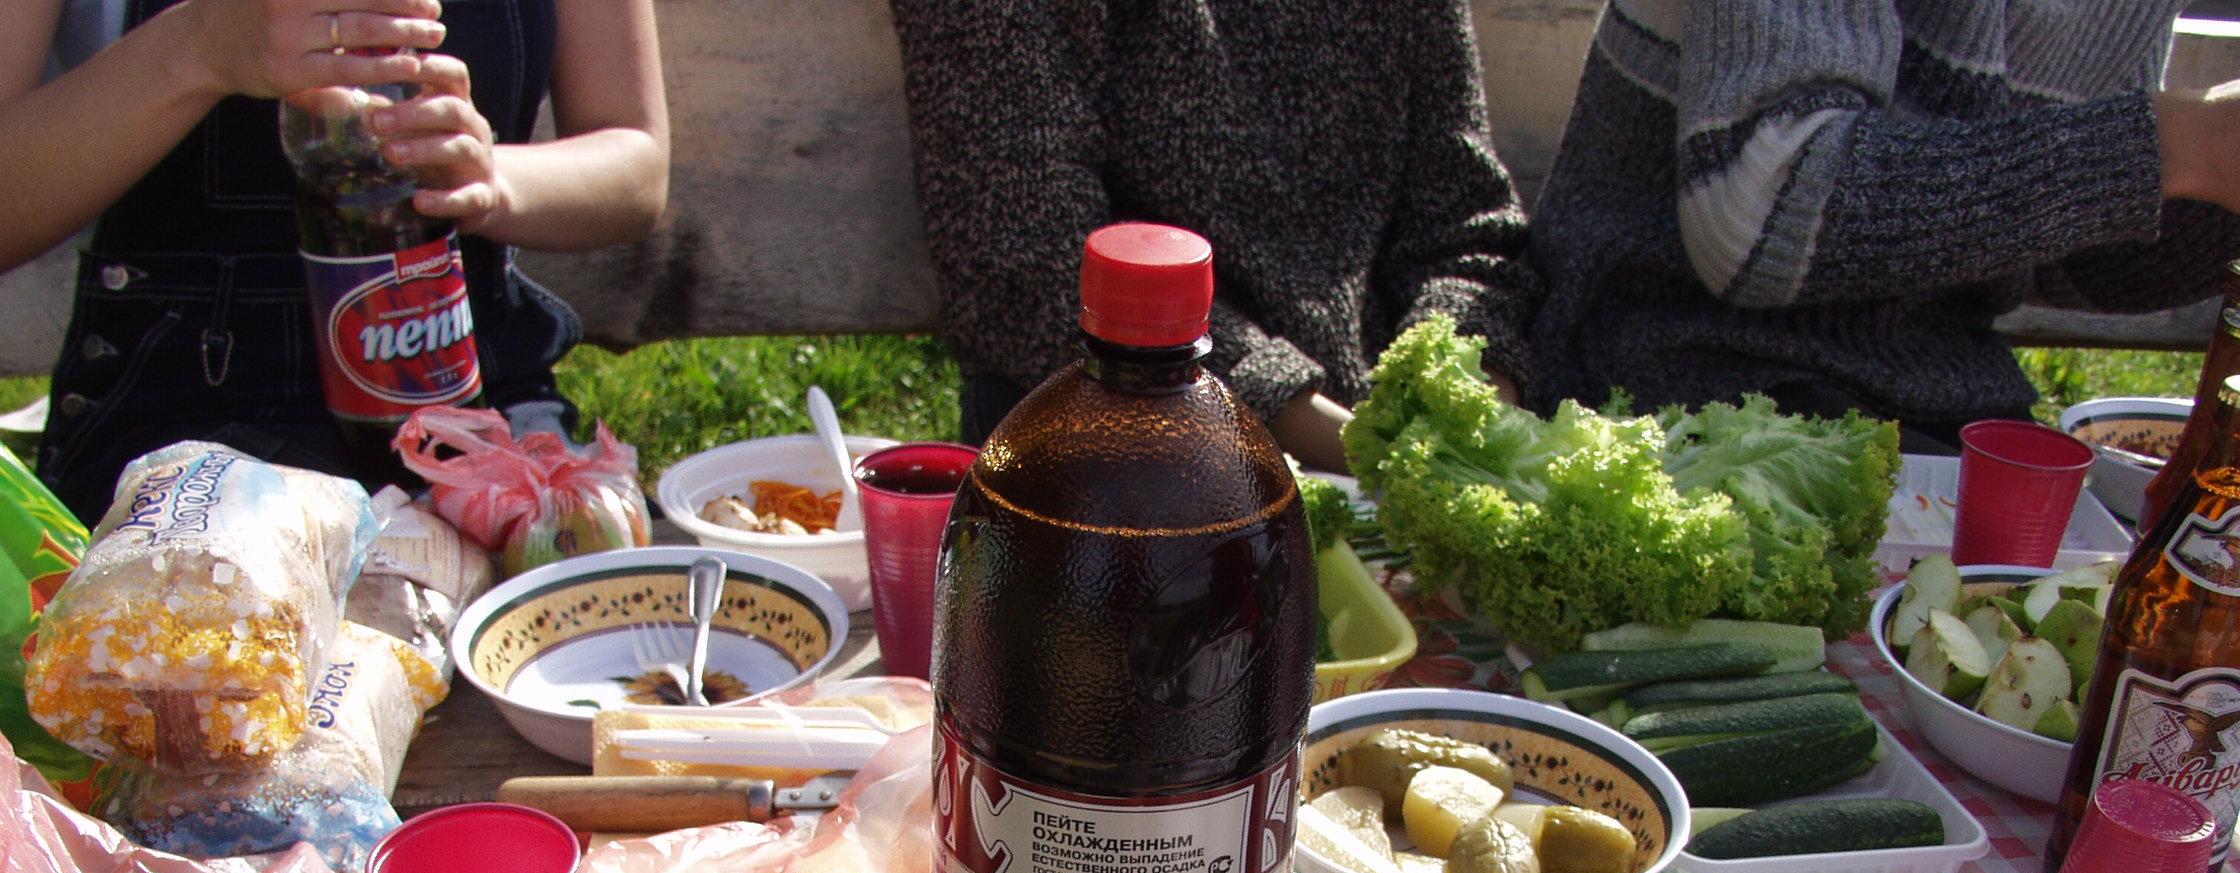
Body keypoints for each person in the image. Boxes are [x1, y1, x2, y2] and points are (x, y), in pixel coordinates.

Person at [1, 0, 668, 521]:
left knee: (595, 630)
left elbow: (634, 160)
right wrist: (200, 47)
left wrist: (493, 181)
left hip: (477, 407)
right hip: (183, 427)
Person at [1528, 0, 2240, 450]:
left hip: (1932, 406)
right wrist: (2175, 144)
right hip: (1677, 382)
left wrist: (2215, 192)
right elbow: (1758, 210)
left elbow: (2058, 242)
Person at [885, 0, 1539, 471]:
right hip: (1116, 464)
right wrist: (1367, 453)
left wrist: (1466, 422)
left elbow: (1463, 231)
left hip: (1367, 465)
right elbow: (1026, 255)